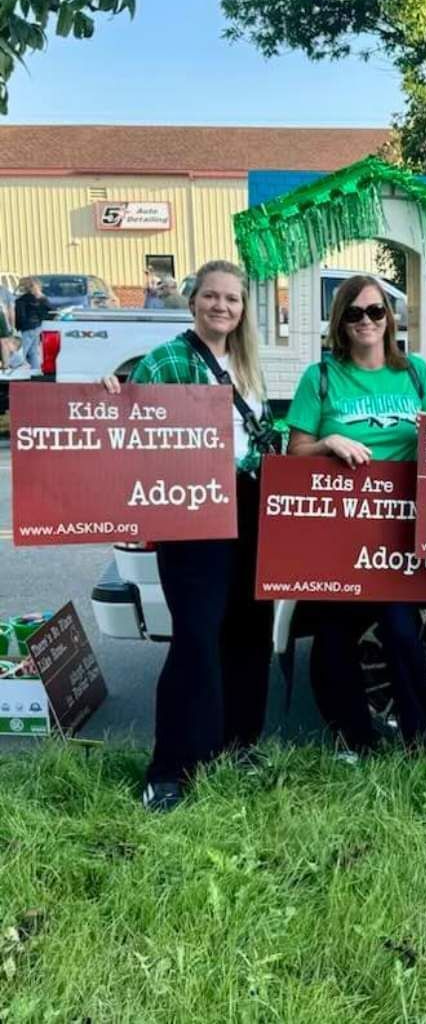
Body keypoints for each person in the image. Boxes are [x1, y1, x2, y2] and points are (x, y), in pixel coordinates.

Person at [103, 260, 276, 812]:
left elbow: (260, 437)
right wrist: (112, 392)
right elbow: (130, 425)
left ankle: (237, 745)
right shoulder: (167, 359)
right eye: (212, 296)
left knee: (249, 635)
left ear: (243, 309)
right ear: (193, 299)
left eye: (232, 299)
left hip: (249, 507)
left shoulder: (248, 365)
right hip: (193, 511)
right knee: (196, 640)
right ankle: (170, 767)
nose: (222, 306)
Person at [286, 275, 426, 755]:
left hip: (399, 524)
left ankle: (422, 742)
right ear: (340, 322)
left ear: (389, 318)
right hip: (337, 525)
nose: (366, 321)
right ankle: (353, 739)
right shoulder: (322, 377)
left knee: (402, 630)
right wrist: (327, 443)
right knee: (335, 636)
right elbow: (294, 454)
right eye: (354, 313)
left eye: (375, 311)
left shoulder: (415, 373)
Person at [13, 277, 50, 370]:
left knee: (23, 349)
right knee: (33, 351)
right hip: (37, 326)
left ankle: (13, 367)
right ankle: (35, 369)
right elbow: (48, 311)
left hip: (27, 327)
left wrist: (18, 327)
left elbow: (20, 315)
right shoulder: (41, 299)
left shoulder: (22, 300)